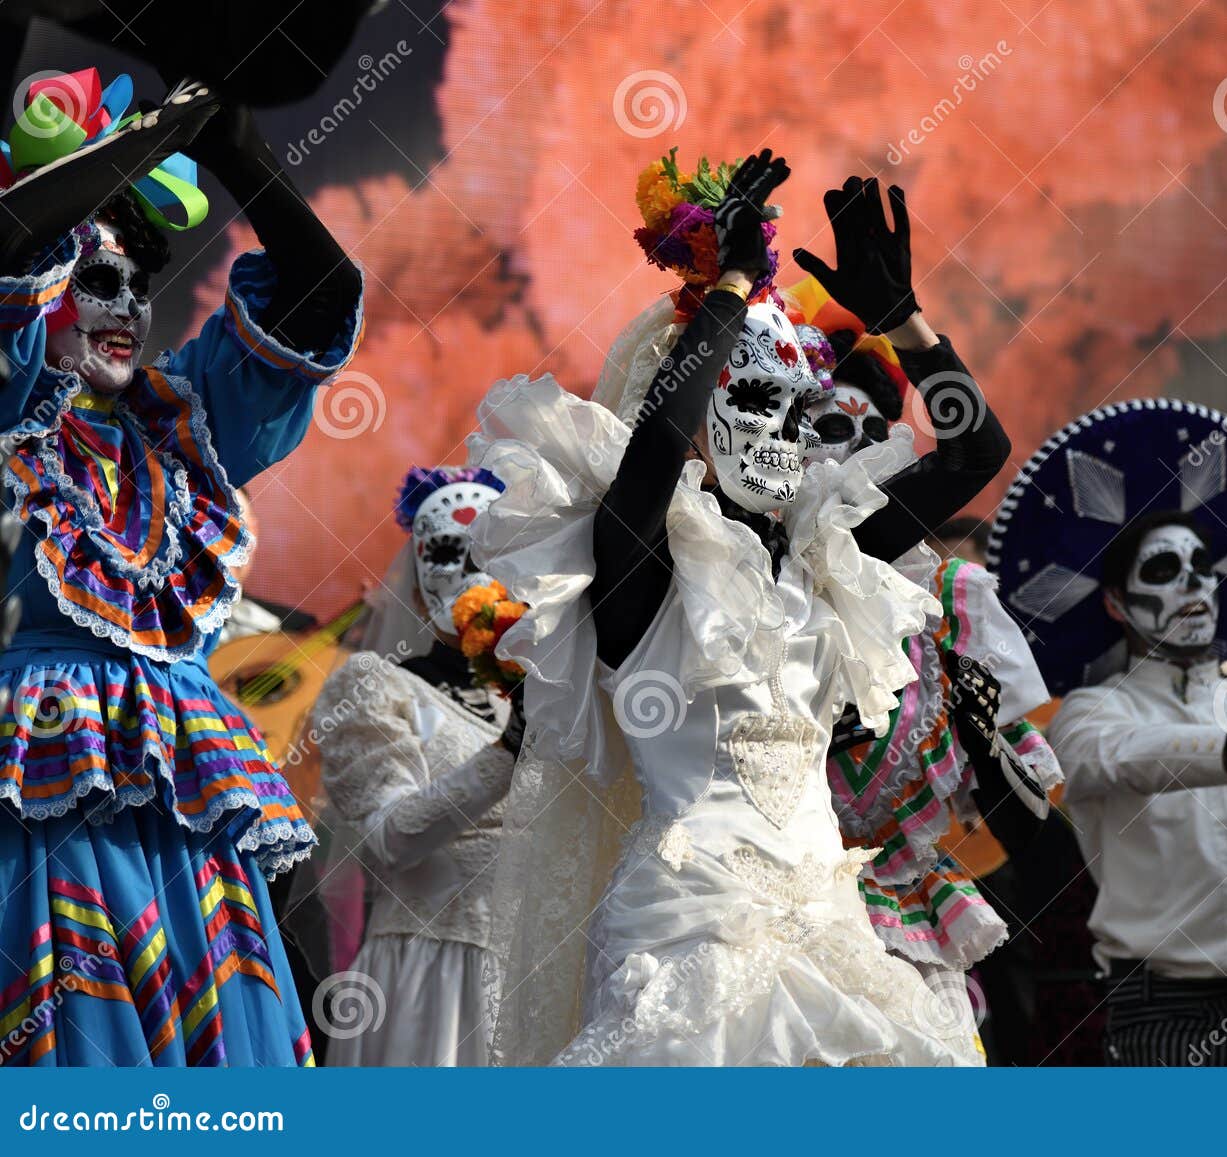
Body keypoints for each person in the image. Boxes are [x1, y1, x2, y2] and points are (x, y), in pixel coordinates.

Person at [471, 152, 1005, 1066]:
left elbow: (974, 452)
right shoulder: (636, 567)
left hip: (833, 921)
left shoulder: (822, 562)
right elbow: (651, 464)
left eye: (803, 415)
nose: (784, 434)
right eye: (756, 400)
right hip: (687, 934)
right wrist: (734, 285)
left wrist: (905, 327)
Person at [0, 73, 362, 1066]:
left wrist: (240, 148)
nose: (125, 308)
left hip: (183, 770)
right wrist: (150, 136)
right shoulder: (16, 410)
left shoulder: (184, 421)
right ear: (40, 303)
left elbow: (318, 295)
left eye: (137, 284)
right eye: (95, 282)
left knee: (221, 1048)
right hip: (43, 767)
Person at [988, 399, 1227, 1065]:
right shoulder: (1090, 715)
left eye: (1202, 567)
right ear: (1116, 603)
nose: (1192, 582)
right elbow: (1128, 758)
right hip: (1162, 1007)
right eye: (1163, 570)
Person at [794, 321, 1063, 1043]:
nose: (843, 451)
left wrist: (986, 747)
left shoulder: (952, 602)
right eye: (818, 425)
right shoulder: (742, 588)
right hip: (774, 924)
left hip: (909, 928)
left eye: (864, 430)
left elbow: (1037, 839)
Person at [311, 466, 521, 1067]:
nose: (474, 574)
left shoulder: (548, 698)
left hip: (533, 978)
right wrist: (506, 754)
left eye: (493, 551)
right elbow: (391, 838)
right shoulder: (380, 689)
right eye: (454, 553)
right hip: (431, 981)